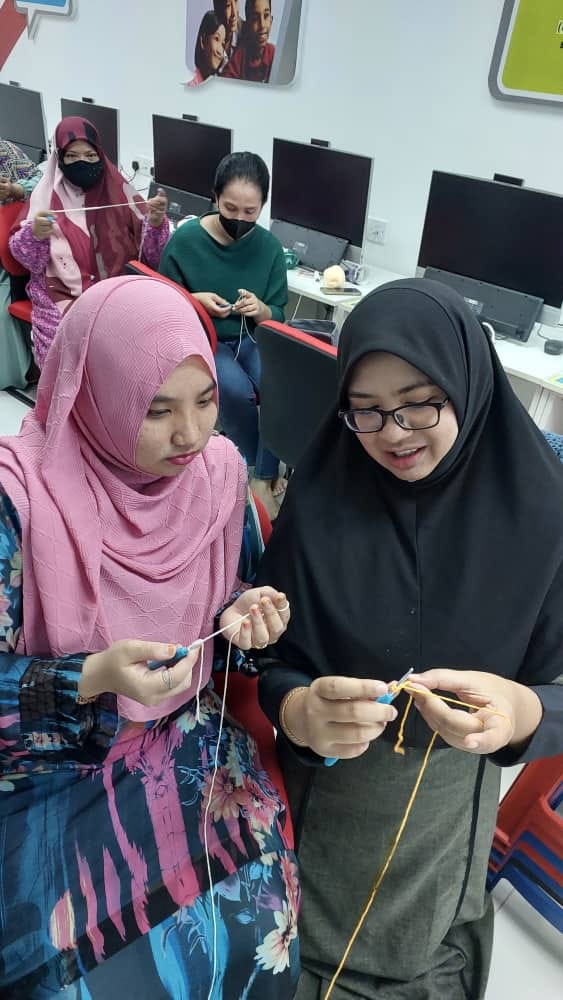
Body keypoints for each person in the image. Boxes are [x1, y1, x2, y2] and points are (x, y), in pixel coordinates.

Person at [255, 278, 563, 999]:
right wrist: (296, 709)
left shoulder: (543, 512)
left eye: (420, 402)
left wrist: (521, 711)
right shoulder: (326, 494)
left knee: (420, 959)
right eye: (365, 409)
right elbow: (270, 662)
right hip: (320, 801)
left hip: (446, 813)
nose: (393, 432)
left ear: (467, 383)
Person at [0, 274, 300, 997]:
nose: (190, 434)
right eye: (156, 409)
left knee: (257, 939)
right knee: (71, 973)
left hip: (184, 739)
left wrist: (243, 610)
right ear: (94, 395)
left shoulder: (217, 475)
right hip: (52, 767)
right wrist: (92, 677)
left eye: (206, 401)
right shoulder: (19, 499)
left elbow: (220, 598)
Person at [159, 151, 288, 520]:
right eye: (230, 208)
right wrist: (195, 301)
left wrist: (260, 309)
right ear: (214, 197)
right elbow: (161, 301)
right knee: (234, 389)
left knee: (277, 385)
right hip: (203, 339)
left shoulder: (269, 248)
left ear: (262, 206)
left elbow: (278, 313)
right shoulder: (185, 241)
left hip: (250, 338)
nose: (239, 219)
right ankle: (251, 465)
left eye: (250, 212)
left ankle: (262, 477)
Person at [9, 117, 169, 369]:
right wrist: (36, 234)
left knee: (136, 355)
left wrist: (157, 223)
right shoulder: (45, 197)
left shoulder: (120, 193)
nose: (82, 162)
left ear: (100, 155)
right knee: (65, 361)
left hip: (116, 294)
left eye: (90, 155)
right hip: (59, 296)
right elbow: (26, 261)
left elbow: (154, 258)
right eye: (72, 156)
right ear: (59, 158)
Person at [0, 140, 41, 388]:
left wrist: (15, 189)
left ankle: (20, 373)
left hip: (7, 262)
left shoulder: (4, 152)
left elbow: (44, 183)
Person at [223, 0, 275, 83]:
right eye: (255, 19)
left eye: (266, 16)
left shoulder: (274, 54)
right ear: (247, 24)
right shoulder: (240, 58)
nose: (262, 25)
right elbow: (224, 84)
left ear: (271, 20)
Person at [189, 10, 227, 86]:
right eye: (216, 39)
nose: (220, 51)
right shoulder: (192, 85)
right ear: (203, 41)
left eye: (223, 44)